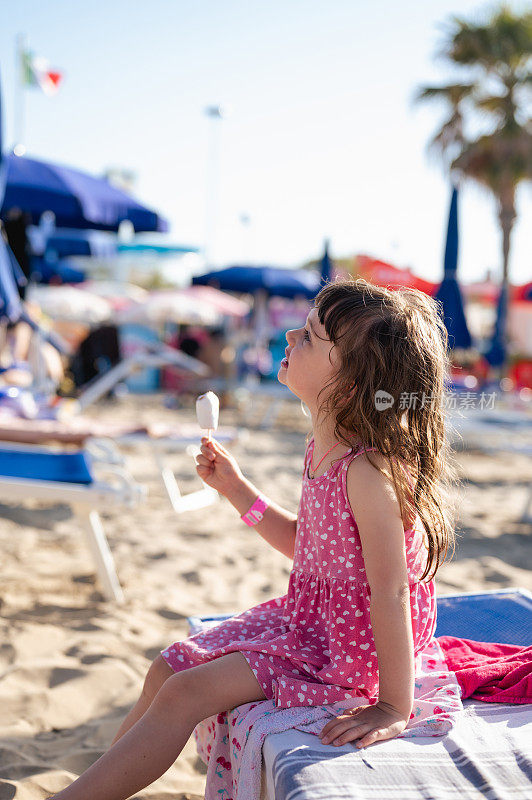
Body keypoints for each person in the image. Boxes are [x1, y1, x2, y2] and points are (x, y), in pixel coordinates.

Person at [48, 277, 458, 800]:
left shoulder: (368, 474)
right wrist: (237, 490)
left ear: (351, 385)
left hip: (348, 652)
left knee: (184, 693)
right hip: (312, 620)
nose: (290, 335)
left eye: (311, 336)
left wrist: (394, 706)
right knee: (168, 666)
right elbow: (310, 551)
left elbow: (391, 592)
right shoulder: (323, 448)